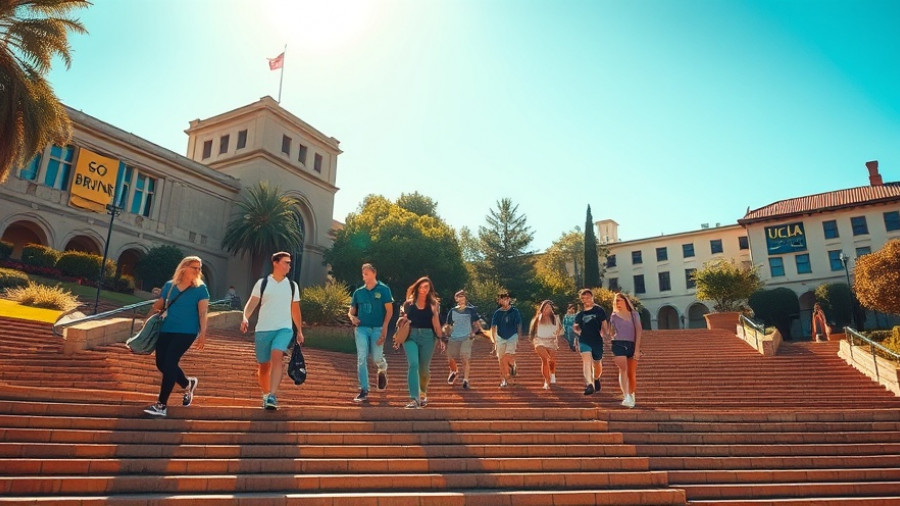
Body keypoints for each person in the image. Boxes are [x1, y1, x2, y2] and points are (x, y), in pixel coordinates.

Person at [143, 256, 209, 417]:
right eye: (194, 267)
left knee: (170, 361)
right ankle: (188, 383)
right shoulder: (169, 286)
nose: (198, 271)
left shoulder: (201, 289)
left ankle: (161, 405)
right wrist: (147, 320)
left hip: (187, 332)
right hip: (166, 328)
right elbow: (159, 304)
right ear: (184, 267)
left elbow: (203, 313)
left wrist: (203, 334)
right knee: (161, 364)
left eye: (199, 268)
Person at [241, 252, 304, 410]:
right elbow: (252, 302)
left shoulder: (292, 286)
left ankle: (272, 395)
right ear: (275, 263)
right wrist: (245, 317)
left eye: (290, 263)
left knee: (277, 355)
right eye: (286, 262)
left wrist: (299, 331)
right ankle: (266, 393)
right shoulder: (262, 283)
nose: (289, 265)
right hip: (263, 330)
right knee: (264, 366)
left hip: (284, 329)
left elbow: (295, 310)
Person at [394, 276, 444, 409]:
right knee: (413, 364)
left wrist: (440, 338)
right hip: (411, 336)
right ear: (417, 287)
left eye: (426, 287)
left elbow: (436, 323)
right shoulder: (408, 304)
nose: (423, 289)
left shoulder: (434, 304)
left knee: (424, 369)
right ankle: (414, 398)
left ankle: (422, 393)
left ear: (429, 289)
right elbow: (402, 321)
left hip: (428, 337)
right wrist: (402, 327)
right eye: (421, 286)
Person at [348, 263, 393, 403]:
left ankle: (382, 368)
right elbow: (351, 311)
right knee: (361, 357)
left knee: (376, 357)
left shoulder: (384, 289)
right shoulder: (358, 292)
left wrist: (385, 328)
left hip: (378, 328)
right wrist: (352, 317)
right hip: (361, 329)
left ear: (374, 273)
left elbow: (389, 311)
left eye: (366, 273)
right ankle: (364, 389)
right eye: (363, 274)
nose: (364, 276)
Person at [573, 288, 610, 396]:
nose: (586, 299)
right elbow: (575, 327)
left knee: (597, 363)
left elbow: (604, 323)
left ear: (592, 297)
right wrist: (580, 333)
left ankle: (596, 378)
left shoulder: (599, 310)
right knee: (586, 361)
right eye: (583, 298)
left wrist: (604, 333)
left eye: (588, 297)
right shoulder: (580, 314)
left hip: (597, 340)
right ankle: (589, 384)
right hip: (584, 340)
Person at [445, 290, 483, 390]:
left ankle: (465, 380)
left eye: (463, 296)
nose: (461, 298)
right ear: (456, 299)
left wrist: (473, 332)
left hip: (467, 337)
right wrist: (446, 334)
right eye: (459, 296)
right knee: (450, 357)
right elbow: (448, 325)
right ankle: (454, 371)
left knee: (464, 357)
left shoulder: (471, 310)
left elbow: (477, 325)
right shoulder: (452, 311)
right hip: (454, 337)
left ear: (465, 298)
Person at [609, 293, 642, 408]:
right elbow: (611, 332)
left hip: (632, 345)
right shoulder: (613, 316)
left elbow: (639, 331)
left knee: (631, 373)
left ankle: (631, 394)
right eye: (616, 301)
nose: (617, 302)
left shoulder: (634, 315)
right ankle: (626, 395)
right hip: (617, 344)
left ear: (625, 301)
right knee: (623, 369)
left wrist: (637, 349)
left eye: (619, 300)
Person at [491, 292, 522, 388]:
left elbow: (519, 324)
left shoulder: (515, 311)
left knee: (507, 356)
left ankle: (512, 365)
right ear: (499, 301)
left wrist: (519, 337)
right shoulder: (497, 313)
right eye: (503, 299)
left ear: (509, 300)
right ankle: (504, 379)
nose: (505, 301)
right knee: (501, 360)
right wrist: (494, 341)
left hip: (512, 336)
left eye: (507, 299)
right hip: (500, 337)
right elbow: (493, 327)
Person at [530, 300, 561, 390]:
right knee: (545, 359)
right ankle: (546, 381)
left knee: (552, 361)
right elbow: (533, 330)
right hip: (539, 340)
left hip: (551, 341)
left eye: (549, 307)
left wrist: (556, 335)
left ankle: (552, 374)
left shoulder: (555, 318)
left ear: (552, 309)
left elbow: (559, 330)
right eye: (545, 307)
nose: (547, 309)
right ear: (542, 309)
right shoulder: (538, 318)